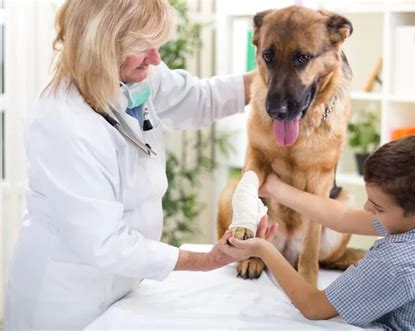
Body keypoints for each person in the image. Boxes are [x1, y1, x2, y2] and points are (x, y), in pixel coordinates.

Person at [4, 0, 279, 329]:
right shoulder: (62, 123)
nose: (155, 58)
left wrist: (274, 78)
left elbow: (197, 99)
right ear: (101, 45)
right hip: (67, 300)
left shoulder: (135, 72)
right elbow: (104, 242)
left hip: (125, 286)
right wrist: (207, 260)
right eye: (143, 47)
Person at [224, 133, 415, 330]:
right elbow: (342, 217)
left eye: (377, 207)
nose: (366, 208)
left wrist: (263, 250)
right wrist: (277, 189)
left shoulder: (397, 263)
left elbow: (313, 307)